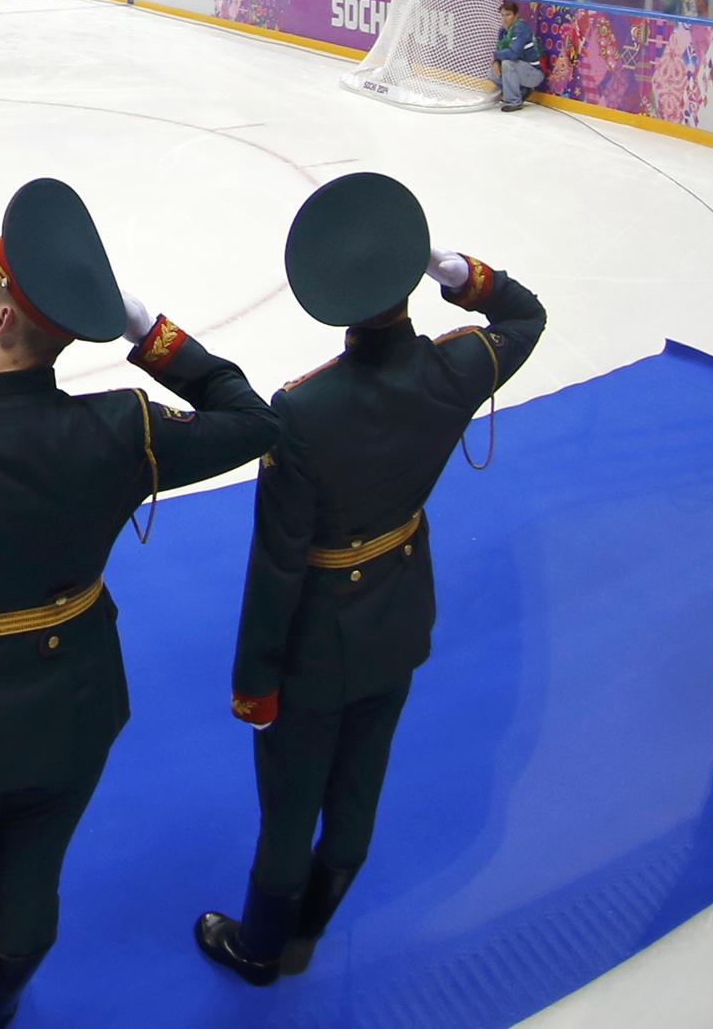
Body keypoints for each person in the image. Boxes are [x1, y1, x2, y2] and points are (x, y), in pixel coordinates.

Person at [0, 179, 278, 1029]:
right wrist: (144, 330)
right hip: (74, 706)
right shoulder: (122, 428)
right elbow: (251, 419)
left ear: (1, 318)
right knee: (34, 878)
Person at [198, 172, 544, 983]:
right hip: (398, 614)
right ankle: (311, 925)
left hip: (318, 639)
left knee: (290, 804)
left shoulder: (302, 410)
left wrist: (255, 682)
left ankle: (259, 945)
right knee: (358, 788)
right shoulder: (456, 369)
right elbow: (525, 315)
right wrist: (454, 269)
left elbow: (278, 564)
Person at [492, 0, 544, 112]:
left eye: (508, 15)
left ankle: (513, 101)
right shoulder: (503, 31)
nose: (504, 19)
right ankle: (521, 90)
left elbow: (513, 54)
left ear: (515, 15)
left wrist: (496, 56)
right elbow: (501, 50)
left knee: (507, 64)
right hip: (520, 69)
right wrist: (496, 61)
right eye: (502, 15)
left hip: (533, 73)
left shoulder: (521, 29)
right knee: (493, 72)